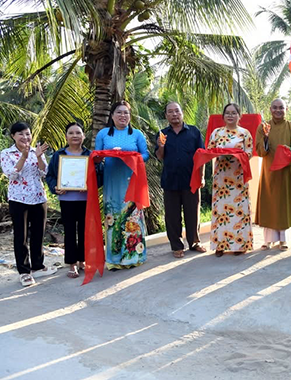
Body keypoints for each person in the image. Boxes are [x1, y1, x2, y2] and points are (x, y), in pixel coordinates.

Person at [95, 101, 150, 270]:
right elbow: (96, 157)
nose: (123, 116)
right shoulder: (103, 134)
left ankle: (134, 257)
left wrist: (132, 157)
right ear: (112, 116)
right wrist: (105, 155)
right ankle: (114, 259)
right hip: (112, 181)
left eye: (126, 113)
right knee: (113, 218)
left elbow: (146, 155)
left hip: (131, 181)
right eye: (119, 112)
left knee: (133, 218)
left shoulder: (137, 134)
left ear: (130, 116)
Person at [1, 122, 57, 286]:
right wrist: (23, 157)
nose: (25, 137)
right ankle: (24, 271)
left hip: (38, 197)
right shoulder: (6, 153)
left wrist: (38, 157)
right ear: (13, 136)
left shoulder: (35, 151)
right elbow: (12, 175)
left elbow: (45, 172)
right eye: (21, 134)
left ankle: (38, 266)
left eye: (27, 134)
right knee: (21, 236)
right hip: (18, 199)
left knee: (38, 234)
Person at [155, 102, 206, 258]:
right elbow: (159, 156)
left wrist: (202, 176)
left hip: (191, 179)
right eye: (170, 112)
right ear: (166, 116)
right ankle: (176, 246)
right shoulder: (162, 134)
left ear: (182, 113)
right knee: (172, 216)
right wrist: (161, 146)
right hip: (170, 180)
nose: (174, 114)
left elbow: (202, 156)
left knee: (193, 213)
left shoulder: (194, 132)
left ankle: (194, 242)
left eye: (177, 111)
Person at [46, 123, 96, 278]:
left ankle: (82, 260)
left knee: (84, 231)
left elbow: (99, 174)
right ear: (66, 136)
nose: (75, 136)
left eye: (78, 133)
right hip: (67, 199)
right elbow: (50, 176)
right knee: (69, 231)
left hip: (85, 199)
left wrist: (89, 185)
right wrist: (55, 187)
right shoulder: (58, 155)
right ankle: (72, 263)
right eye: (71, 133)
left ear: (83, 136)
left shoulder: (90, 155)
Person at [208, 103, 254, 256]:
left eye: (234, 113)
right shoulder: (216, 132)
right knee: (221, 210)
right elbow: (209, 150)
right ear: (223, 116)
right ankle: (220, 244)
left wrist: (236, 154)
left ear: (239, 116)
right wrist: (219, 152)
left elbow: (249, 152)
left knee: (239, 210)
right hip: (221, 178)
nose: (230, 115)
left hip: (238, 177)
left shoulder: (244, 133)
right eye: (227, 113)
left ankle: (240, 245)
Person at [255, 98, 291, 250]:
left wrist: (289, 154)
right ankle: (268, 240)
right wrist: (266, 138)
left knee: (284, 205)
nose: (278, 110)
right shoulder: (263, 127)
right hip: (270, 172)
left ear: (286, 109)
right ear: (270, 109)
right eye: (275, 107)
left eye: (281, 107)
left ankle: (283, 240)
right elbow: (260, 151)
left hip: (287, 172)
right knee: (270, 205)